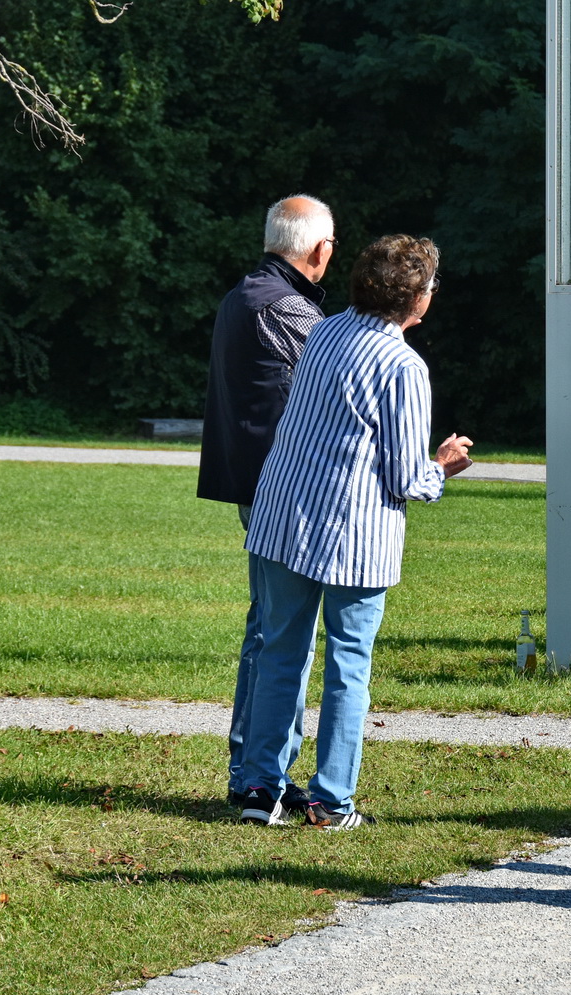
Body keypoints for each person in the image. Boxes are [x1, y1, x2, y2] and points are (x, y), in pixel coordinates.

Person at [237, 235, 474, 828]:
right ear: (416, 297)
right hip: (353, 533)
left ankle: (258, 790)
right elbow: (404, 477)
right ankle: (329, 799)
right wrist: (442, 465)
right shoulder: (403, 366)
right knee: (348, 665)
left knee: (279, 654)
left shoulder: (323, 333)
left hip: (283, 516)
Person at [197, 195, 336, 815]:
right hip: (281, 489)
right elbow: (340, 367)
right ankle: (260, 774)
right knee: (282, 635)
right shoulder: (283, 304)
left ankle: (253, 769)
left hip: (254, 483)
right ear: (320, 251)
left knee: (269, 630)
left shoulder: (243, 294)